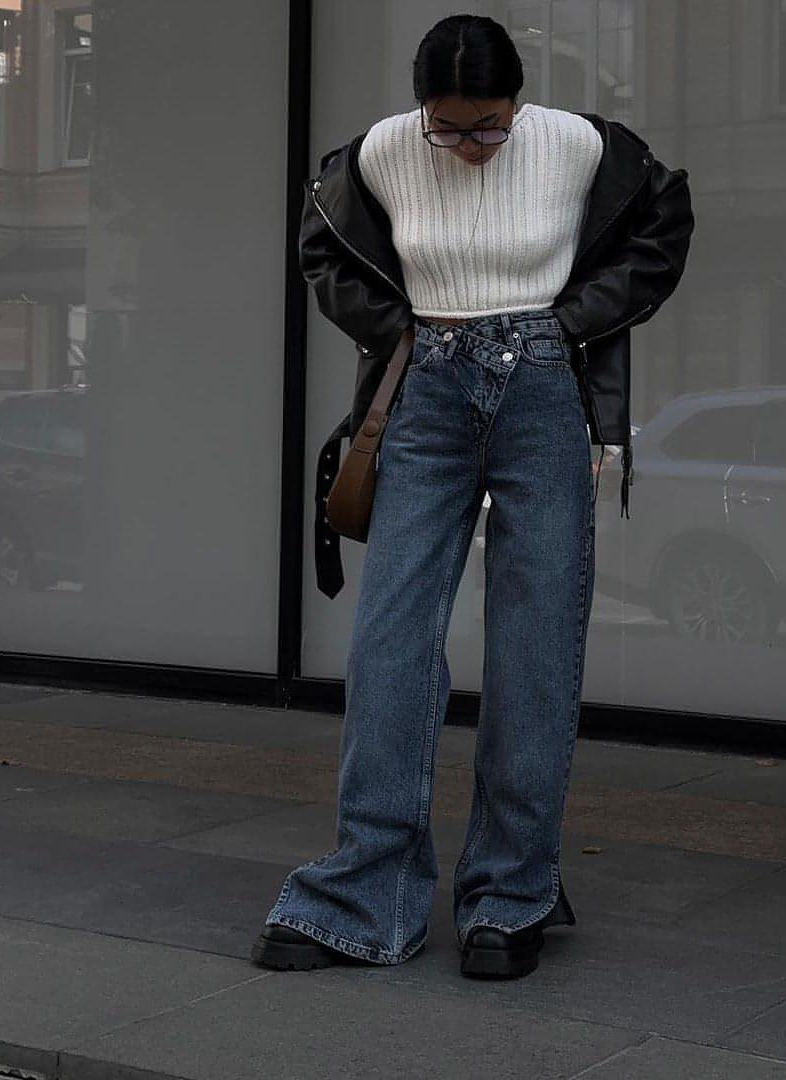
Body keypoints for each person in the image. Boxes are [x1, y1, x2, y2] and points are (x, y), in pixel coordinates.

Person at [251, 13, 693, 981]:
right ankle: (366, 890)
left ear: (517, 101)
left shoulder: (582, 145)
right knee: (391, 635)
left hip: (542, 384)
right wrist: (396, 330)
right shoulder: (374, 153)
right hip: (427, 385)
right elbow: (322, 249)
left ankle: (510, 892)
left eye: (487, 126)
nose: (468, 148)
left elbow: (663, 229)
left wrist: (571, 320)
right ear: (421, 110)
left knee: (534, 637)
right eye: (448, 130)